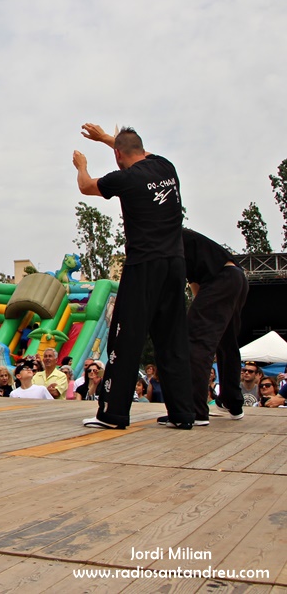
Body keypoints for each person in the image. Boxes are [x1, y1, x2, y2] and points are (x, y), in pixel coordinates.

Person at [74, 124, 195, 430]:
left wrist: (82, 165)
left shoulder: (124, 179)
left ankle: (113, 413)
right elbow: (134, 149)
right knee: (172, 339)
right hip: (175, 264)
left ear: (117, 155)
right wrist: (106, 138)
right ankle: (183, 413)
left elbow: (86, 186)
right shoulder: (165, 166)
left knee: (125, 338)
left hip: (144, 265)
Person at [182, 228, 249, 423]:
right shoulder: (187, 240)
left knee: (195, 340)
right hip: (237, 278)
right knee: (227, 342)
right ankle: (232, 401)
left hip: (220, 280)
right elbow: (197, 288)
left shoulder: (167, 239)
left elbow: (197, 293)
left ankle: (195, 410)